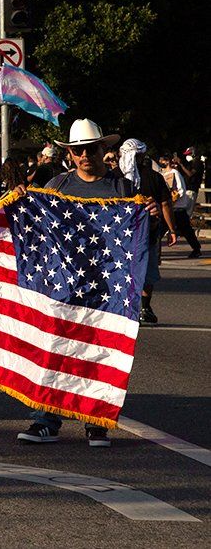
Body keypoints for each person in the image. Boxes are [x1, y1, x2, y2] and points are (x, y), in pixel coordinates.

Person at [17, 120, 163, 447]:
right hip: (62, 289)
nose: (85, 156)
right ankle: (45, 421)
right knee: (54, 351)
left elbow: (141, 243)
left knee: (98, 352)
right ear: (70, 153)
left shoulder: (122, 189)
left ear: (103, 150)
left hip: (105, 290)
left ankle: (95, 421)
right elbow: (37, 233)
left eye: (91, 149)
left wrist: (151, 220)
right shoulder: (56, 186)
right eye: (78, 150)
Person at [117, 139, 178, 325]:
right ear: (142, 155)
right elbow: (165, 204)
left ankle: (123, 308)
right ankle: (144, 308)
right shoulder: (154, 177)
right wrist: (172, 229)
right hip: (148, 234)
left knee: (122, 270)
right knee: (147, 271)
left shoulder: (114, 178)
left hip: (119, 236)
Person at [160, 152, 202, 258]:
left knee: (186, 230)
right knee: (160, 231)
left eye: (162, 160)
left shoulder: (175, 173)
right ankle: (156, 252)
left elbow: (181, 189)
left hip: (178, 207)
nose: (160, 162)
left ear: (168, 161)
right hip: (168, 208)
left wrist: (173, 200)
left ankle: (196, 249)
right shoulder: (162, 175)